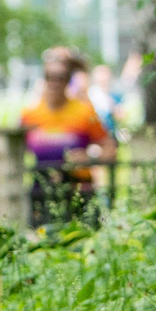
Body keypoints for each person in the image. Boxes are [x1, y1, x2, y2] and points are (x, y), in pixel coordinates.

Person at [22, 44, 116, 225]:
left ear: (68, 80)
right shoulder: (30, 115)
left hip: (79, 191)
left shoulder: (85, 112)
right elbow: (15, 153)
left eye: (61, 78)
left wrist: (89, 157)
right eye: (50, 77)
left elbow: (110, 147)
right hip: (42, 192)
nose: (55, 83)